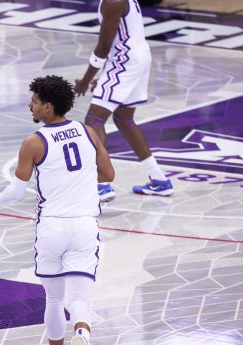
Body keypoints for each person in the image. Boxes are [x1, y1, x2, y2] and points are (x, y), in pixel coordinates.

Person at [0, 75, 114, 345]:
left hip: (51, 227)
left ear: (48, 107)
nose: (30, 105)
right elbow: (108, 173)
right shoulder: (87, 131)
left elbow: (14, 192)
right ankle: (82, 333)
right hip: (84, 224)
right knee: (79, 296)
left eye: (34, 101)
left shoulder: (34, 142)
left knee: (53, 297)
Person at [74, 0, 173, 201]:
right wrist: (104, 76)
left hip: (124, 61)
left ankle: (101, 184)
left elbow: (103, 48)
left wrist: (84, 81)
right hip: (136, 57)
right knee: (124, 118)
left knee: (94, 119)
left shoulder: (112, 2)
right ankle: (159, 179)